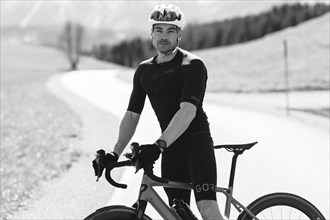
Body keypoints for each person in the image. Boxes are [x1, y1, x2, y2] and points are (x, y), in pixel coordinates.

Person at [96, 4, 226, 220]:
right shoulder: (144, 70)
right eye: (159, 31)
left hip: (197, 147)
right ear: (151, 34)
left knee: (208, 210)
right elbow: (131, 115)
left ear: (179, 35)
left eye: (170, 31)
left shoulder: (192, 65)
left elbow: (188, 111)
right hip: (171, 153)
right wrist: (114, 153)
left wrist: (158, 145)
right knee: (176, 215)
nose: (164, 37)